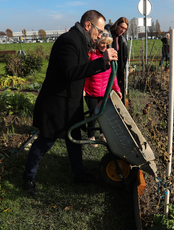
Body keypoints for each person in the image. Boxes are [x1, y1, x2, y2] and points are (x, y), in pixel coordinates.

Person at [22, 10, 118, 195]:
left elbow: (84, 63)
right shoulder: (69, 40)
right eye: (99, 31)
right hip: (56, 104)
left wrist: (101, 51)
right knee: (45, 142)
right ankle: (28, 178)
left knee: (74, 140)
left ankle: (80, 175)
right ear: (88, 25)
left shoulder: (82, 41)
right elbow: (71, 72)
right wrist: (101, 62)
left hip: (71, 103)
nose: (100, 35)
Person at [84, 30, 123, 146]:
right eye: (102, 43)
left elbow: (113, 75)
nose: (104, 46)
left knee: (104, 114)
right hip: (91, 92)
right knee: (93, 115)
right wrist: (84, 90)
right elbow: (86, 74)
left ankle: (103, 134)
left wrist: (117, 89)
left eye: (106, 44)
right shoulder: (91, 55)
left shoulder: (109, 56)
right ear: (97, 43)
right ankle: (90, 136)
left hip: (104, 92)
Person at [105, 17, 128, 101]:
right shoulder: (109, 35)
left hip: (117, 68)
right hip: (108, 67)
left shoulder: (122, 39)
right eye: (121, 27)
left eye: (125, 29)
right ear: (117, 25)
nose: (123, 30)